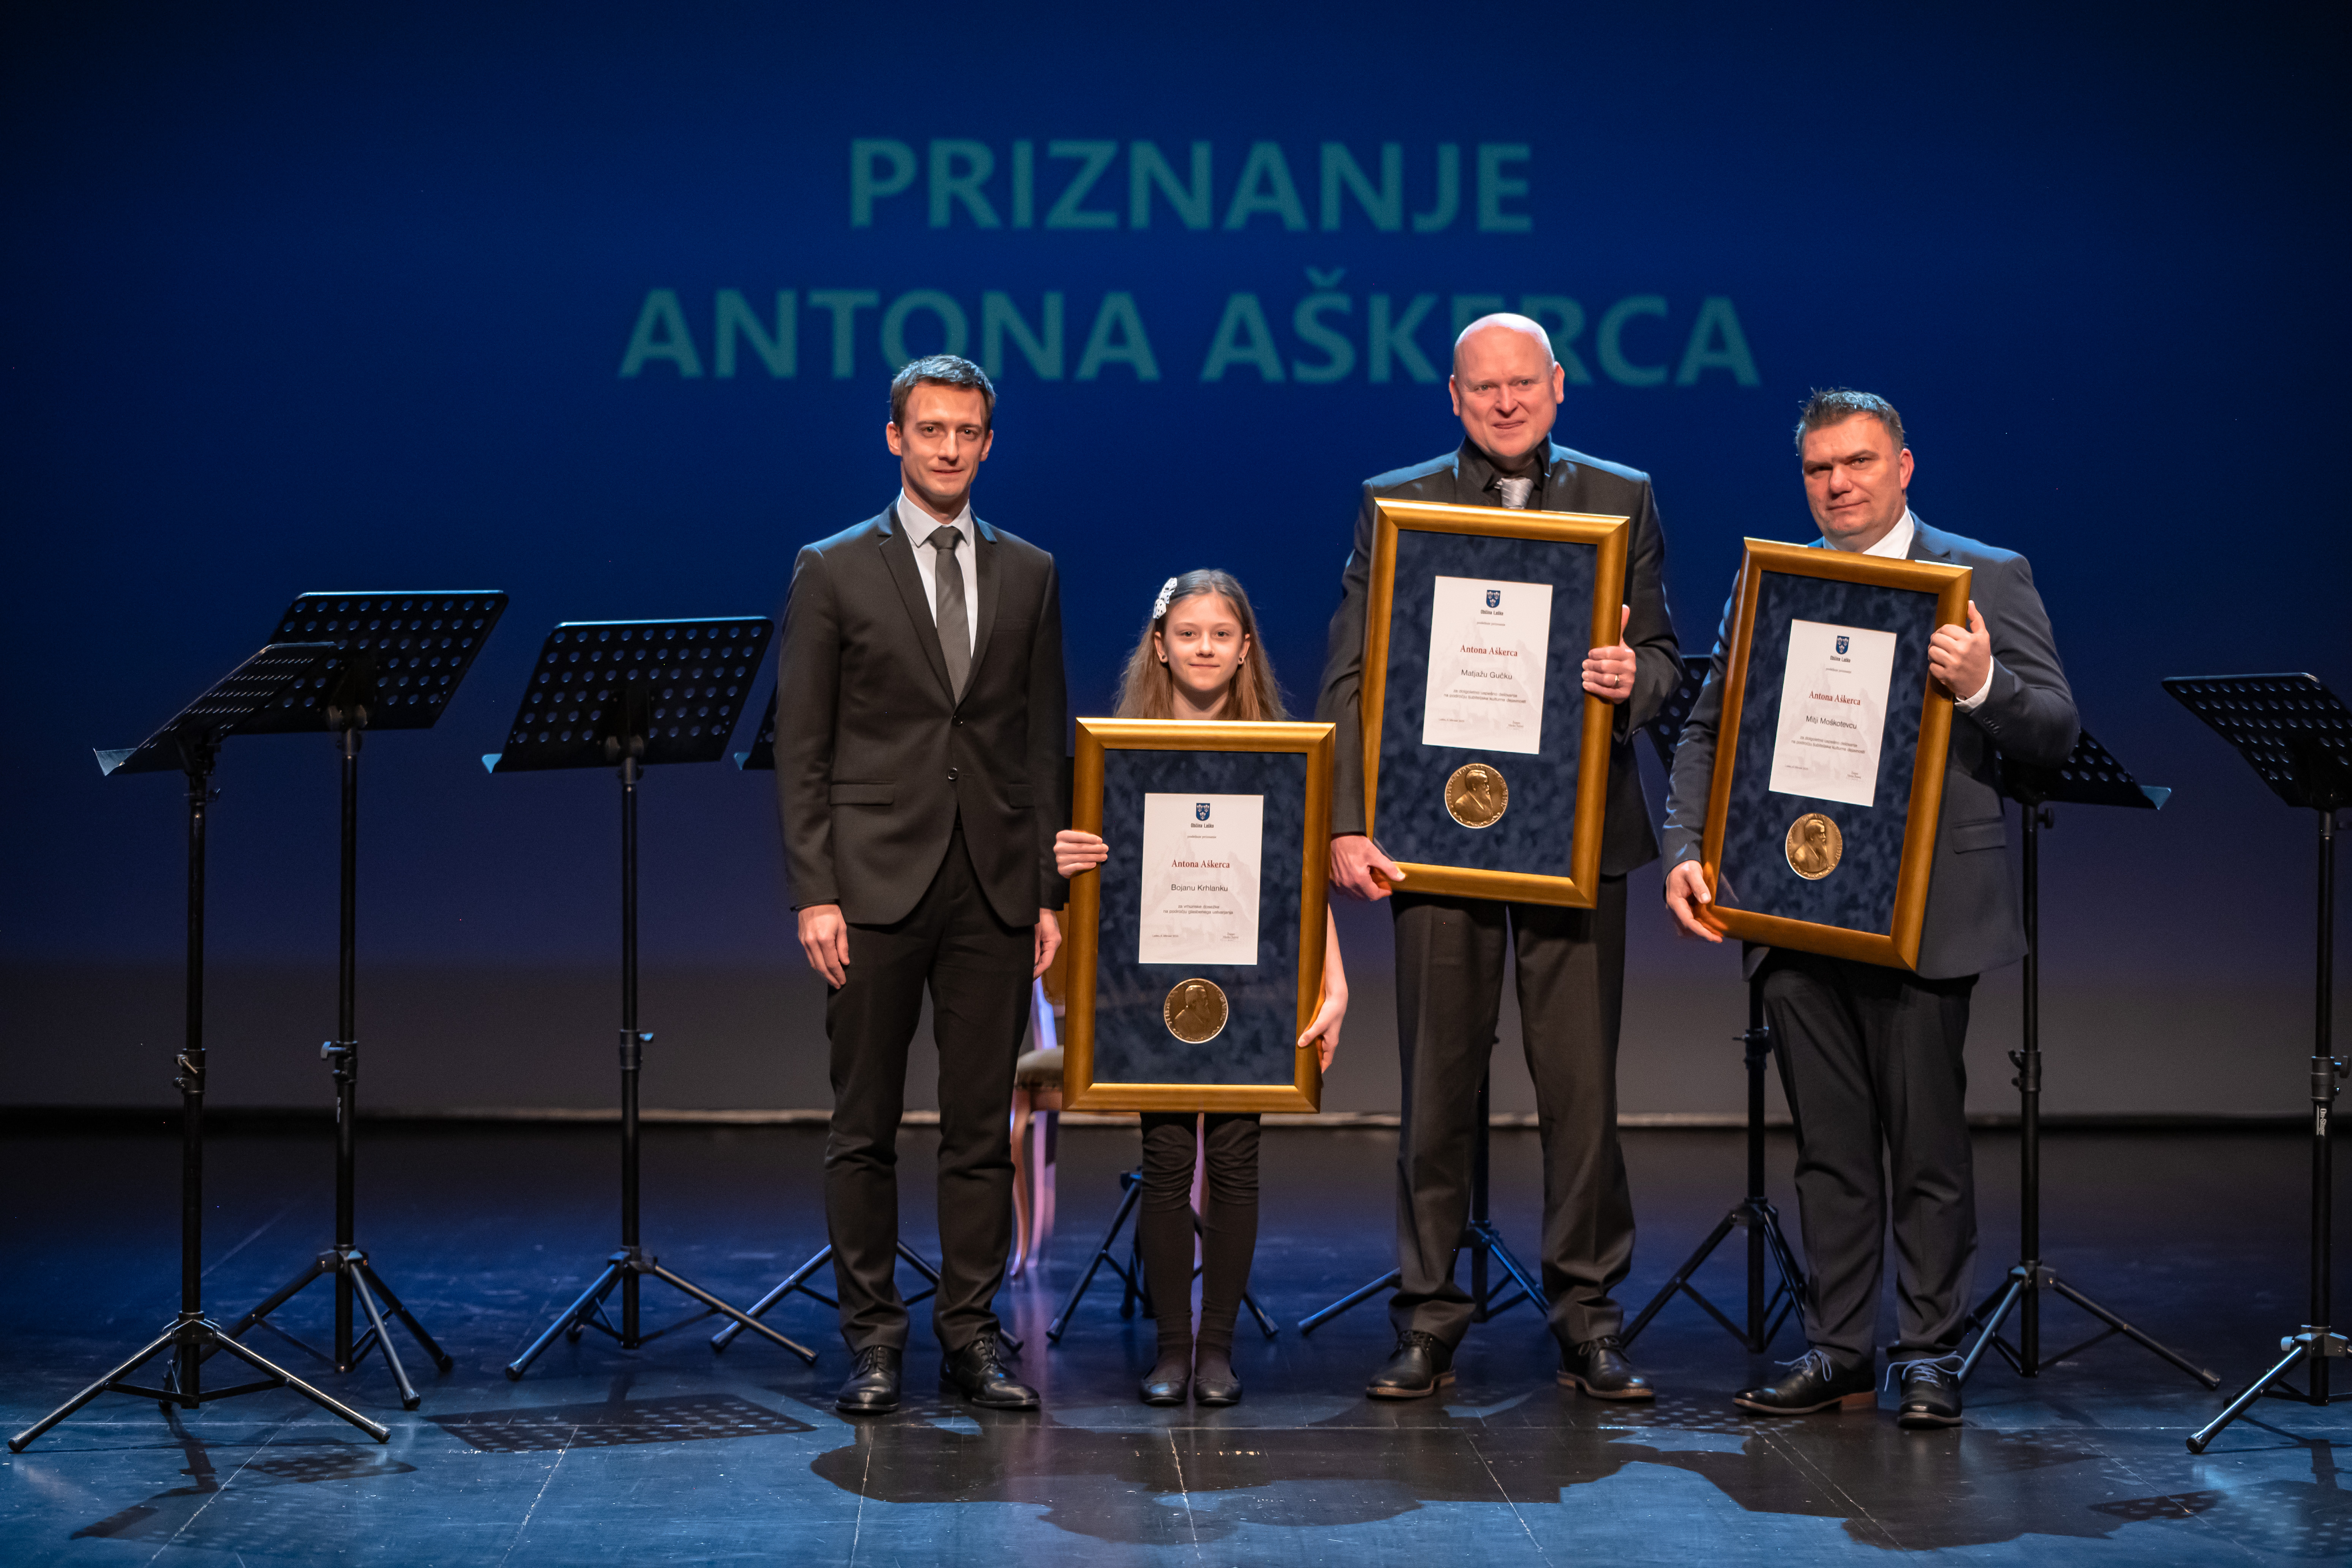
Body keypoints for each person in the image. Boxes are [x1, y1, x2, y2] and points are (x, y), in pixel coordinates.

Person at [1661, 389, 2077, 1430]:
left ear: (1903, 465)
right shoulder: (1778, 582)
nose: (1837, 484)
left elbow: (2057, 730)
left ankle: (1928, 1351)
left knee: (1926, 1144)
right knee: (1831, 1149)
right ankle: (1842, 1349)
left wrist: (1986, 684)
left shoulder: (1984, 576)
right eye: (1818, 469)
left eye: (1856, 463)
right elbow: (1708, 732)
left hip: (1925, 916)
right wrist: (1684, 849)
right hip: (1796, 906)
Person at [1312, 313, 1680, 1401]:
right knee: (1437, 1085)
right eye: (1486, 390)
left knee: (1580, 1088)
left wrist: (1633, 679)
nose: (1507, 403)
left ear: (1558, 387)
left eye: (1525, 384)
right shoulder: (1398, 500)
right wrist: (1343, 820)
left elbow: (1664, 659)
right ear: (1455, 398)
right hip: (1433, 833)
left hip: (1575, 835)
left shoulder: (1624, 496)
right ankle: (1430, 1314)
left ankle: (1588, 1313)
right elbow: (1350, 670)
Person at [774, 354, 1067, 1415]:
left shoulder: (1030, 571)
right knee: (864, 1125)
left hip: (991, 888)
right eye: (931, 429)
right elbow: (802, 745)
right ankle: (874, 1340)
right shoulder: (833, 568)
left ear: (989, 443)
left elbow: (1039, 747)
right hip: (871, 889)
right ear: (894, 438)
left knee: (980, 1128)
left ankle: (973, 1337)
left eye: (968, 431)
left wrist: (1045, 893)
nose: (949, 448)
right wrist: (816, 891)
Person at [1054, 569, 1349, 1407]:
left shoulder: (1284, 753)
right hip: (1153, 985)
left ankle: (1217, 1350)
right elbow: (1096, 883)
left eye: (1222, 634)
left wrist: (1333, 977)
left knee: (1236, 1158)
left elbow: (1303, 885)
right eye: (1189, 634)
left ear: (1246, 647)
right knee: (1163, 1158)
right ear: (1161, 645)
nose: (1206, 648)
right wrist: (1068, 859)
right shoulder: (1119, 752)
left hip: (1253, 984)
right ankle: (1170, 1350)